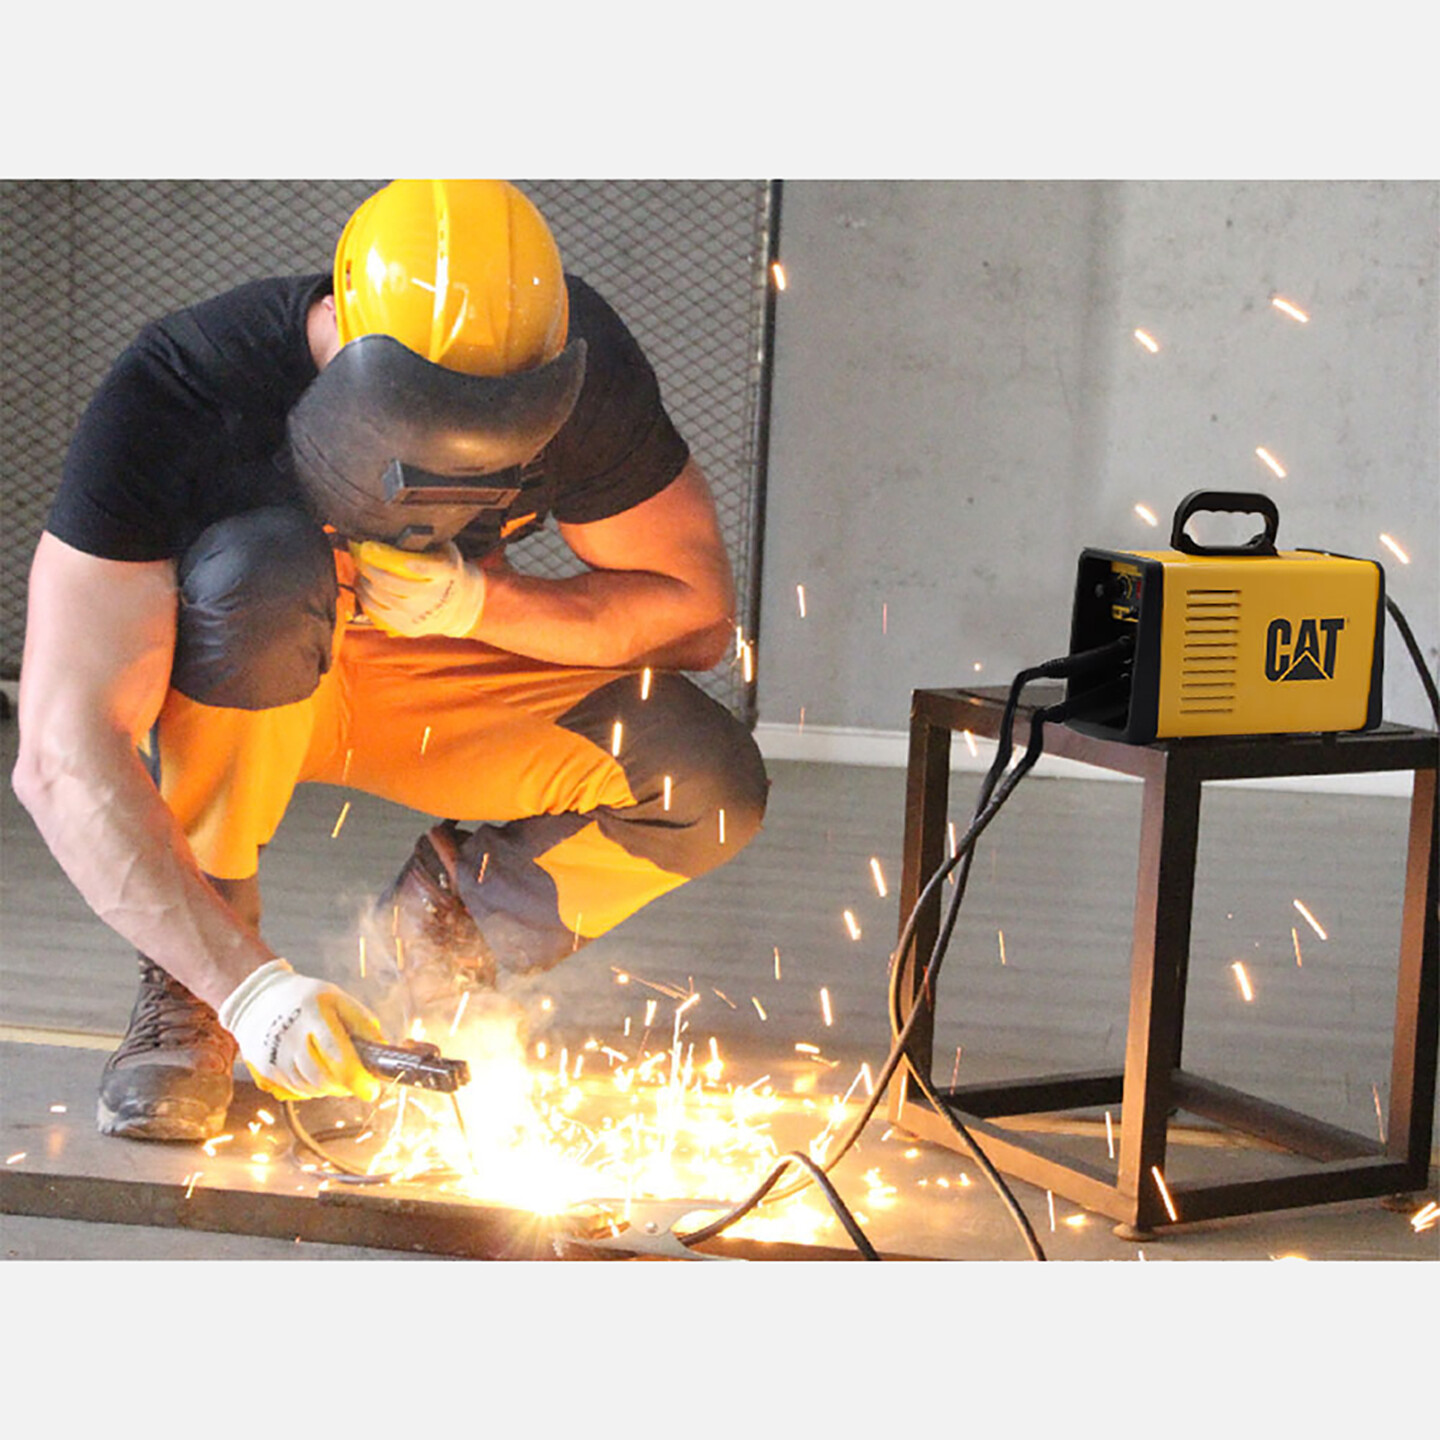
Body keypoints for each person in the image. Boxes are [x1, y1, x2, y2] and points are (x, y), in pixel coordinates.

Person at [12, 179, 769, 1142]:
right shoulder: (186, 383)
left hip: (433, 677)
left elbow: (696, 618)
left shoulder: (583, 370)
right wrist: (247, 989)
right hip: (248, 684)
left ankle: (446, 932)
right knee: (261, 570)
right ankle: (192, 985)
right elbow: (61, 757)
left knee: (703, 784)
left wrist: (481, 602)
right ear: (342, 329)